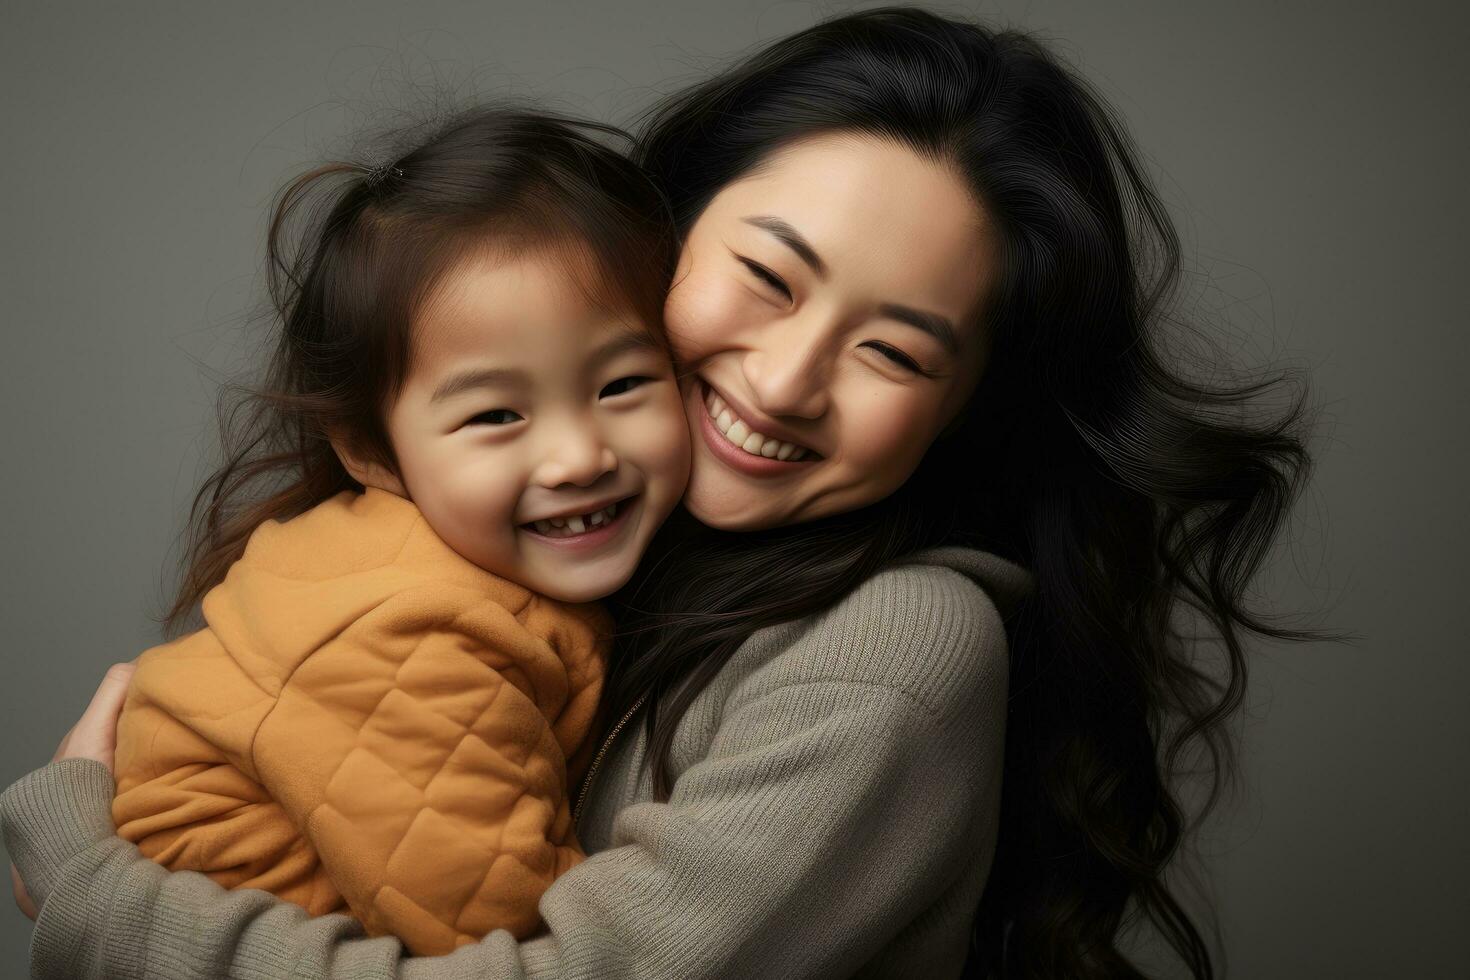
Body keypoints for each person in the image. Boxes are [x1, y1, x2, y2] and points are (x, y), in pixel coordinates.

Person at [1, 7, 1326, 978]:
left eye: (894, 349)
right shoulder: (545, 560)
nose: (790, 377)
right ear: (662, 234)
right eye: (767, 274)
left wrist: (91, 888)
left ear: (966, 402)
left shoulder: (894, 645)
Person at [38, 105, 693, 958]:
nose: (577, 455)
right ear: (372, 452)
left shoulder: (470, 570)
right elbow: (507, 938)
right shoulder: (407, 635)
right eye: (496, 414)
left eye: (621, 385)